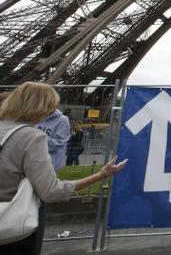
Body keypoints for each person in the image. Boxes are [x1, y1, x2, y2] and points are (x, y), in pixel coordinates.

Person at [0, 82, 127, 255]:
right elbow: (51, 191)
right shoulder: (32, 137)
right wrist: (101, 175)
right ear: (40, 107)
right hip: (12, 225)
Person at [36, 106, 70, 172]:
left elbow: (59, 143)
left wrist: (37, 137)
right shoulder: (36, 117)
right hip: (32, 162)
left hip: (48, 165)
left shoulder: (62, 120)